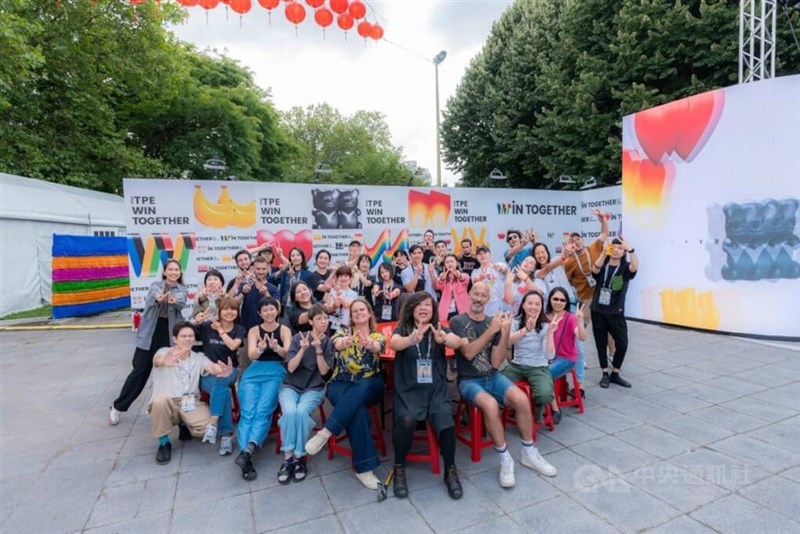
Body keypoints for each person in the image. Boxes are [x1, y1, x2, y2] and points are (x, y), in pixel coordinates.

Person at [450, 282, 557, 488]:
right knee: (490, 405)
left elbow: (496, 362)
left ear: (489, 299)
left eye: (484, 295)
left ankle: (528, 451)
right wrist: (491, 331)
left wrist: (505, 332)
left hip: (492, 375)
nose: (479, 298)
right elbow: (469, 353)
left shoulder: (494, 322)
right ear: (469, 294)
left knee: (522, 400)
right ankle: (505, 458)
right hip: (468, 380)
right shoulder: (457, 321)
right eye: (476, 294)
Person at [388, 292, 464, 500]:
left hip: (435, 387)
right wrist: (410, 340)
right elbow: (394, 343)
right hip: (409, 387)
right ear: (412, 308)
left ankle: (450, 470)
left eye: (428, 305)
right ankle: (399, 467)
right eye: (419, 304)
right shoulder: (403, 328)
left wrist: (445, 339)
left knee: (446, 421)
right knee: (406, 421)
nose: (423, 308)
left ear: (433, 310)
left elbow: (457, 342)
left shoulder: (438, 328)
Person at [304, 299, 385, 489]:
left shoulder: (377, 335)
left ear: (369, 313)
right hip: (341, 383)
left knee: (362, 386)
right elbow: (337, 344)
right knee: (357, 411)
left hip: (370, 383)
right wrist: (345, 342)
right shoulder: (342, 331)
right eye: (354, 310)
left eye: (362, 309)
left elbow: (377, 347)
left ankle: (326, 432)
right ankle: (364, 469)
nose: (358, 313)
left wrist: (369, 344)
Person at [109, 259, 187, 425]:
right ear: (164, 272)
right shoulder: (155, 285)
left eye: (176, 270)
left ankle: (159, 408)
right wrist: (159, 298)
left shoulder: (182, 289)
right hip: (150, 334)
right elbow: (153, 297)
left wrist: (173, 300)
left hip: (169, 333)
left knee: (169, 373)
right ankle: (118, 407)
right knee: (139, 372)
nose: (174, 273)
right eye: (170, 270)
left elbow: (181, 302)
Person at [146, 322, 234, 465]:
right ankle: (164, 444)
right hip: (168, 401)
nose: (188, 339)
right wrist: (164, 361)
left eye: (191, 336)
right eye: (183, 336)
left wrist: (221, 371)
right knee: (159, 403)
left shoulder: (198, 357)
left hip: (189, 402)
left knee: (207, 428)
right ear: (175, 339)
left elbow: (210, 366)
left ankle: (183, 424)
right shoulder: (164, 352)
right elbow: (158, 360)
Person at [235, 297, 291, 481]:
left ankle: (248, 451)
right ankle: (246, 453)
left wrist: (276, 348)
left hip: (275, 371)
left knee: (263, 410)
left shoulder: (284, 329)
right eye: (265, 310)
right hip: (253, 372)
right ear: (259, 313)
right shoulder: (253, 330)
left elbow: (288, 355)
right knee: (248, 412)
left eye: (272, 309)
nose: (269, 313)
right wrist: (260, 348)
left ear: (277, 310)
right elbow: (251, 355)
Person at [277, 304, 334, 484]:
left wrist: (318, 350)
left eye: (326, 318)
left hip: (314, 387)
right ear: (310, 321)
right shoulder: (297, 338)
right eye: (319, 318)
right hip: (290, 386)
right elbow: (291, 368)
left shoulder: (329, 342)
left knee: (301, 412)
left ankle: (298, 456)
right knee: (291, 412)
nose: (323, 322)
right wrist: (303, 348)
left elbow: (325, 373)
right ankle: (289, 457)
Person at [193, 296, 245, 455]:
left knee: (222, 382)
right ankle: (226, 435)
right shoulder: (207, 326)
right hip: (208, 371)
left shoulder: (239, 329)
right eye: (226, 309)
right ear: (220, 311)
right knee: (221, 388)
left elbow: (232, 345)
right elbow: (187, 335)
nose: (229, 312)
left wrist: (221, 331)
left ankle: (213, 421)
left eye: (233, 309)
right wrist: (196, 321)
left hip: (230, 370)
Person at [501, 291, 558, 425]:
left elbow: (549, 356)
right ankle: (511, 409)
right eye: (530, 303)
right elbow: (508, 342)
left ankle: (537, 413)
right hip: (517, 365)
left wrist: (550, 334)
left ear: (542, 306)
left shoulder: (545, 325)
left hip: (538, 367)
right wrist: (526, 329)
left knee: (544, 394)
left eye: (537, 304)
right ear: (524, 305)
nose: (533, 307)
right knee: (496, 384)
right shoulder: (515, 321)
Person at [563, 208, 612, 360]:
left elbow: (604, 233)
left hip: (602, 293)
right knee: (581, 327)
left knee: (609, 326)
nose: (575, 242)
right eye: (572, 241)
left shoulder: (593, 248)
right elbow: (568, 280)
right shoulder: (569, 262)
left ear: (582, 240)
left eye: (577, 239)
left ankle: (612, 354)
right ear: (569, 245)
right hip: (585, 297)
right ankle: (577, 355)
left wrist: (603, 218)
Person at [590, 238, 638, 388]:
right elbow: (595, 270)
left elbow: (634, 268)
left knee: (622, 344)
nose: (616, 250)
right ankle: (605, 372)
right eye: (613, 247)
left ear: (623, 251)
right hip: (598, 310)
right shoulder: (603, 264)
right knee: (600, 343)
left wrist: (632, 251)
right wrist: (604, 253)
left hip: (616, 313)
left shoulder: (625, 267)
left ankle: (615, 372)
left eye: (620, 248)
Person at [546, 287, 587, 422]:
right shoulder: (545, 316)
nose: (558, 302)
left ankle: (554, 409)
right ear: (550, 299)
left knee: (543, 375)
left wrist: (580, 321)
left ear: (567, 302)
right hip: (546, 357)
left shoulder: (570, 318)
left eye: (562, 300)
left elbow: (582, 337)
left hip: (565, 359)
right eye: (555, 299)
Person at [237, 256, 280, 333]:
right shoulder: (245, 285)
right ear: (253, 269)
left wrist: (266, 294)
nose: (261, 272)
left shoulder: (273, 288)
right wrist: (243, 293)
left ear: (267, 270)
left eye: (263, 269)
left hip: (268, 330)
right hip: (247, 330)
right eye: (258, 269)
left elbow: (278, 309)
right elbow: (235, 304)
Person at [470, 245, 507, 316]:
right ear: (477, 257)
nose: (482, 255)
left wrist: (501, 269)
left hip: (500, 309)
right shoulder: (475, 272)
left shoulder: (499, 265)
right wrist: (480, 279)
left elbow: (505, 270)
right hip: (484, 311)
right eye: (480, 254)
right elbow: (475, 282)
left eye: (485, 253)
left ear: (489, 254)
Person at [433, 253, 470, 322]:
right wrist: (442, 279)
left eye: (452, 261)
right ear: (444, 265)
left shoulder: (464, 275)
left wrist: (459, 276)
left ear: (456, 263)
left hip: (462, 311)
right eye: (447, 262)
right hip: (447, 312)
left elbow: (465, 280)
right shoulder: (442, 277)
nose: (450, 264)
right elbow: (438, 286)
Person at [325, 265, 357, 333]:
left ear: (350, 278)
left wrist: (338, 292)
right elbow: (329, 308)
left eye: (346, 276)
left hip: (346, 324)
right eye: (341, 276)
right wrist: (333, 305)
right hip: (332, 323)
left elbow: (346, 304)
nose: (343, 278)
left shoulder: (354, 294)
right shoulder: (332, 291)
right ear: (337, 278)